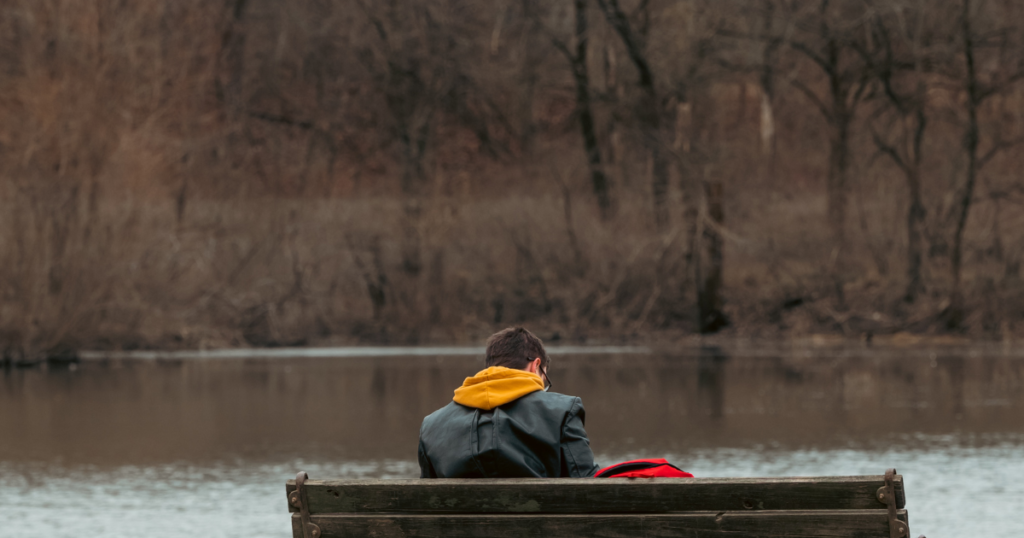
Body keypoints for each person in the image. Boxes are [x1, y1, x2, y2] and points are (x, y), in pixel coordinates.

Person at [418, 327, 600, 478]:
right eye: (544, 378)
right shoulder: (563, 411)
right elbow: (587, 485)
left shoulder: (431, 425)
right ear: (535, 365)